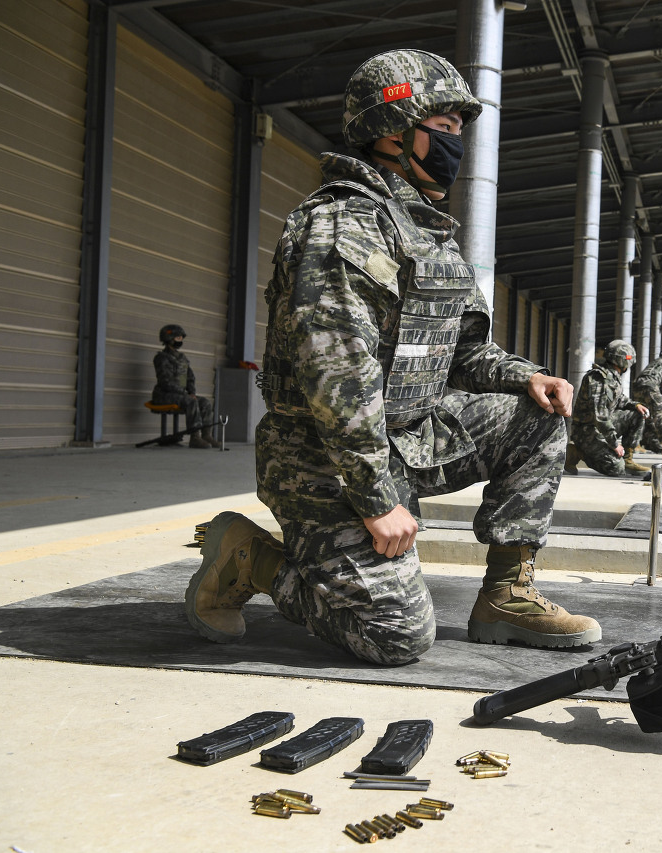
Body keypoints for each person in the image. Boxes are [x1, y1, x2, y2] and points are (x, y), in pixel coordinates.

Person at [184, 49, 600, 665]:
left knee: (534, 415)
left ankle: (507, 597)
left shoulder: (427, 234)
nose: (457, 145)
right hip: (323, 459)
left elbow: (467, 352)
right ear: (391, 130)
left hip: (409, 437)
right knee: (395, 635)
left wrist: (527, 375)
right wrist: (378, 500)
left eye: (458, 131)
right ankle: (254, 558)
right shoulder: (339, 227)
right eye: (445, 129)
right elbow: (338, 383)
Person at [566, 340, 651, 477]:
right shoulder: (598, 378)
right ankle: (576, 452)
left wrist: (636, 405)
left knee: (637, 414)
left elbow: (620, 399)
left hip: (598, 427)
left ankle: (628, 459)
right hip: (586, 432)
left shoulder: (612, 377)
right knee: (616, 468)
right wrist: (614, 444)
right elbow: (600, 417)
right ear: (622, 361)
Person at [152, 324, 219, 448]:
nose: (180, 341)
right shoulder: (161, 358)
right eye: (178, 338)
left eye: (181, 338)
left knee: (204, 402)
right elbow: (165, 382)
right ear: (169, 339)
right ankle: (195, 438)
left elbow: (190, 378)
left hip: (180, 395)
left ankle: (206, 435)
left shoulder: (182, 358)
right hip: (163, 395)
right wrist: (186, 395)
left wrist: (191, 392)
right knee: (190, 402)